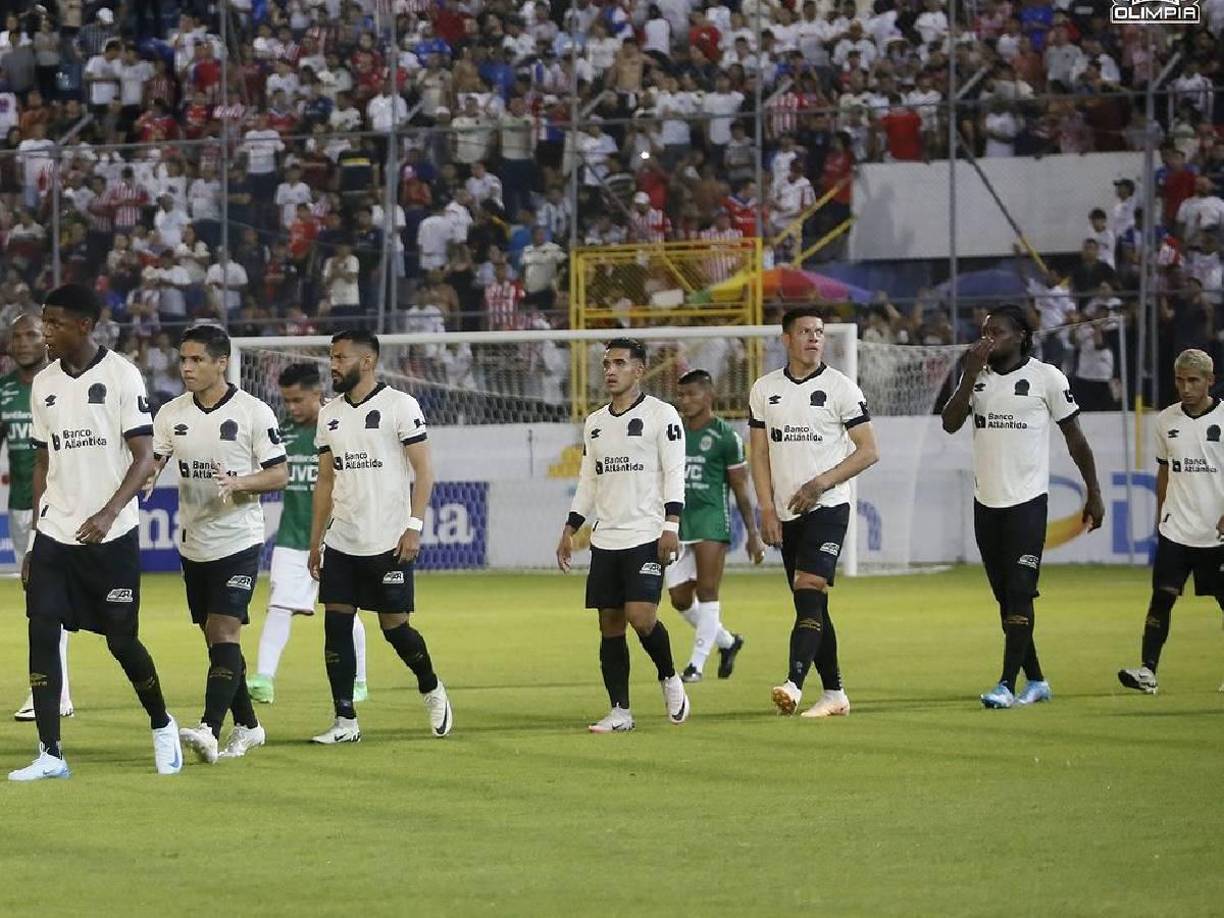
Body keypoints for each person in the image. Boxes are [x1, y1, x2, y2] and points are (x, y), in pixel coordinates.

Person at [9, 284, 181, 781]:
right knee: (41, 630)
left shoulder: (121, 374)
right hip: (57, 531)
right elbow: (44, 459)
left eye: (56, 323)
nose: (46, 333)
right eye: (45, 322)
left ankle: (161, 722)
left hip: (111, 534)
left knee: (122, 641)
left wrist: (108, 513)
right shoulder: (43, 384)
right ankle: (50, 753)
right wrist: (40, 529)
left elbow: (145, 456)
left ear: (84, 325)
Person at [941, 304, 1104, 709]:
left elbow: (1076, 440)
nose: (987, 338)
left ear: (1021, 337)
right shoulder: (977, 378)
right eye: (984, 331)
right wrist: (968, 375)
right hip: (986, 504)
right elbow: (949, 423)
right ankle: (1037, 680)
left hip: (1027, 504)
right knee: (1006, 600)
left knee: (1019, 594)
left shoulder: (1046, 378)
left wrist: (1094, 492)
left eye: (996, 332)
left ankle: (1005, 684)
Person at [147, 324, 288, 763]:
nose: (186, 367)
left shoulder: (253, 412)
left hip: (239, 538)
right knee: (217, 642)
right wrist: (144, 479)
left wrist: (242, 481)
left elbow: (279, 473)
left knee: (226, 631)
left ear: (221, 362)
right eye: (183, 359)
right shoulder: (171, 414)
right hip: (194, 542)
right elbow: (152, 461)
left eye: (196, 360)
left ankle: (209, 728)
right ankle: (249, 726)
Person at [308, 330, 452, 743]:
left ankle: (431, 687)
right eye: (331, 357)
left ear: (366, 361)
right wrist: (316, 541)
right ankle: (345, 720)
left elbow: (424, 470)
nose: (333, 364)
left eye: (340, 357)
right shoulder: (329, 413)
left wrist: (414, 525)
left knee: (395, 628)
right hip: (342, 541)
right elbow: (324, 482)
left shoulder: (400, 406)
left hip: (388, 540)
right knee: (336, 625)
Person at [749, 309, 879, 718]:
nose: (814, 338)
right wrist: (767, 508)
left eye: (819, 332)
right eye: (805, 331)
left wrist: (821, 483)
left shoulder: (841, 388)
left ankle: (793, 683)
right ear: (786, 339)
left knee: (808, 588)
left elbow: (868, 451)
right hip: (787, 513)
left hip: (829, 506)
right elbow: (758, 453)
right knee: (812, 604)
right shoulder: (764, 389)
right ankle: (835, 693)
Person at [248, 363, 370, 704]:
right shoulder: (282, 433)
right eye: (286, 401)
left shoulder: (341, 426)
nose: (291, 408)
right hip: (292, 537)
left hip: (339, 539)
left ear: (317, 394)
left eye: (297, 400)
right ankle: (263, 679)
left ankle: (359, 680)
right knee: (279, 606)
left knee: (346, 611)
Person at [1118, 350, 1224, 695]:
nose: (1186, 387)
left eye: (1193, 380)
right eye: (1180, 380)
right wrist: (1159, 515)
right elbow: (1164, 470)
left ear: (1210, 380)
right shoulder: (1166, 421)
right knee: (1161, 599)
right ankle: (1148, 671)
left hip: (1217, 532)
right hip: (1176, 528)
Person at [664, 369, 762, 682]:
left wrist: (753, 533)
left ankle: (696, 665)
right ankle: (728, 642)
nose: (685, 401)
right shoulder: (673, 433)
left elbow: (740, 489)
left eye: (692, 394)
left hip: (711, 519)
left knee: (707, 590)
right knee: (679, 598)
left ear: (709, 395)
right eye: (681, 395)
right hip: (679, 522)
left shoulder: (725, 438)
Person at [4, 314, 73, 722]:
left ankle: (52, 691)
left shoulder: (62, 384)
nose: (23, 342)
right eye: (16, 336)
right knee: (40, 601)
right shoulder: (4, 391)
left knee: (49, 601)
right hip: (20, 507)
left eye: (31, 334)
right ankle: (57, 691)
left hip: (62, 504)